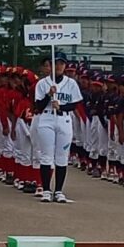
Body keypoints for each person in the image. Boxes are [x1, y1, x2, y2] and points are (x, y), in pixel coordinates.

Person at [31, 52, 82, 203]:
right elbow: (38, 106)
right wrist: (48, 95)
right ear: (51, 65)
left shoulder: (71, 83)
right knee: (46, 155)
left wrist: (62, 107)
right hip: (46, 118)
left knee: (62, 157)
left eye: (61, 63)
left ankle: (58, 191)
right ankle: (46, 190)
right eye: (56, 63)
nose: (59, 66)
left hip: (64, 119)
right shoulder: (42, 83)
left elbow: (75, 104)